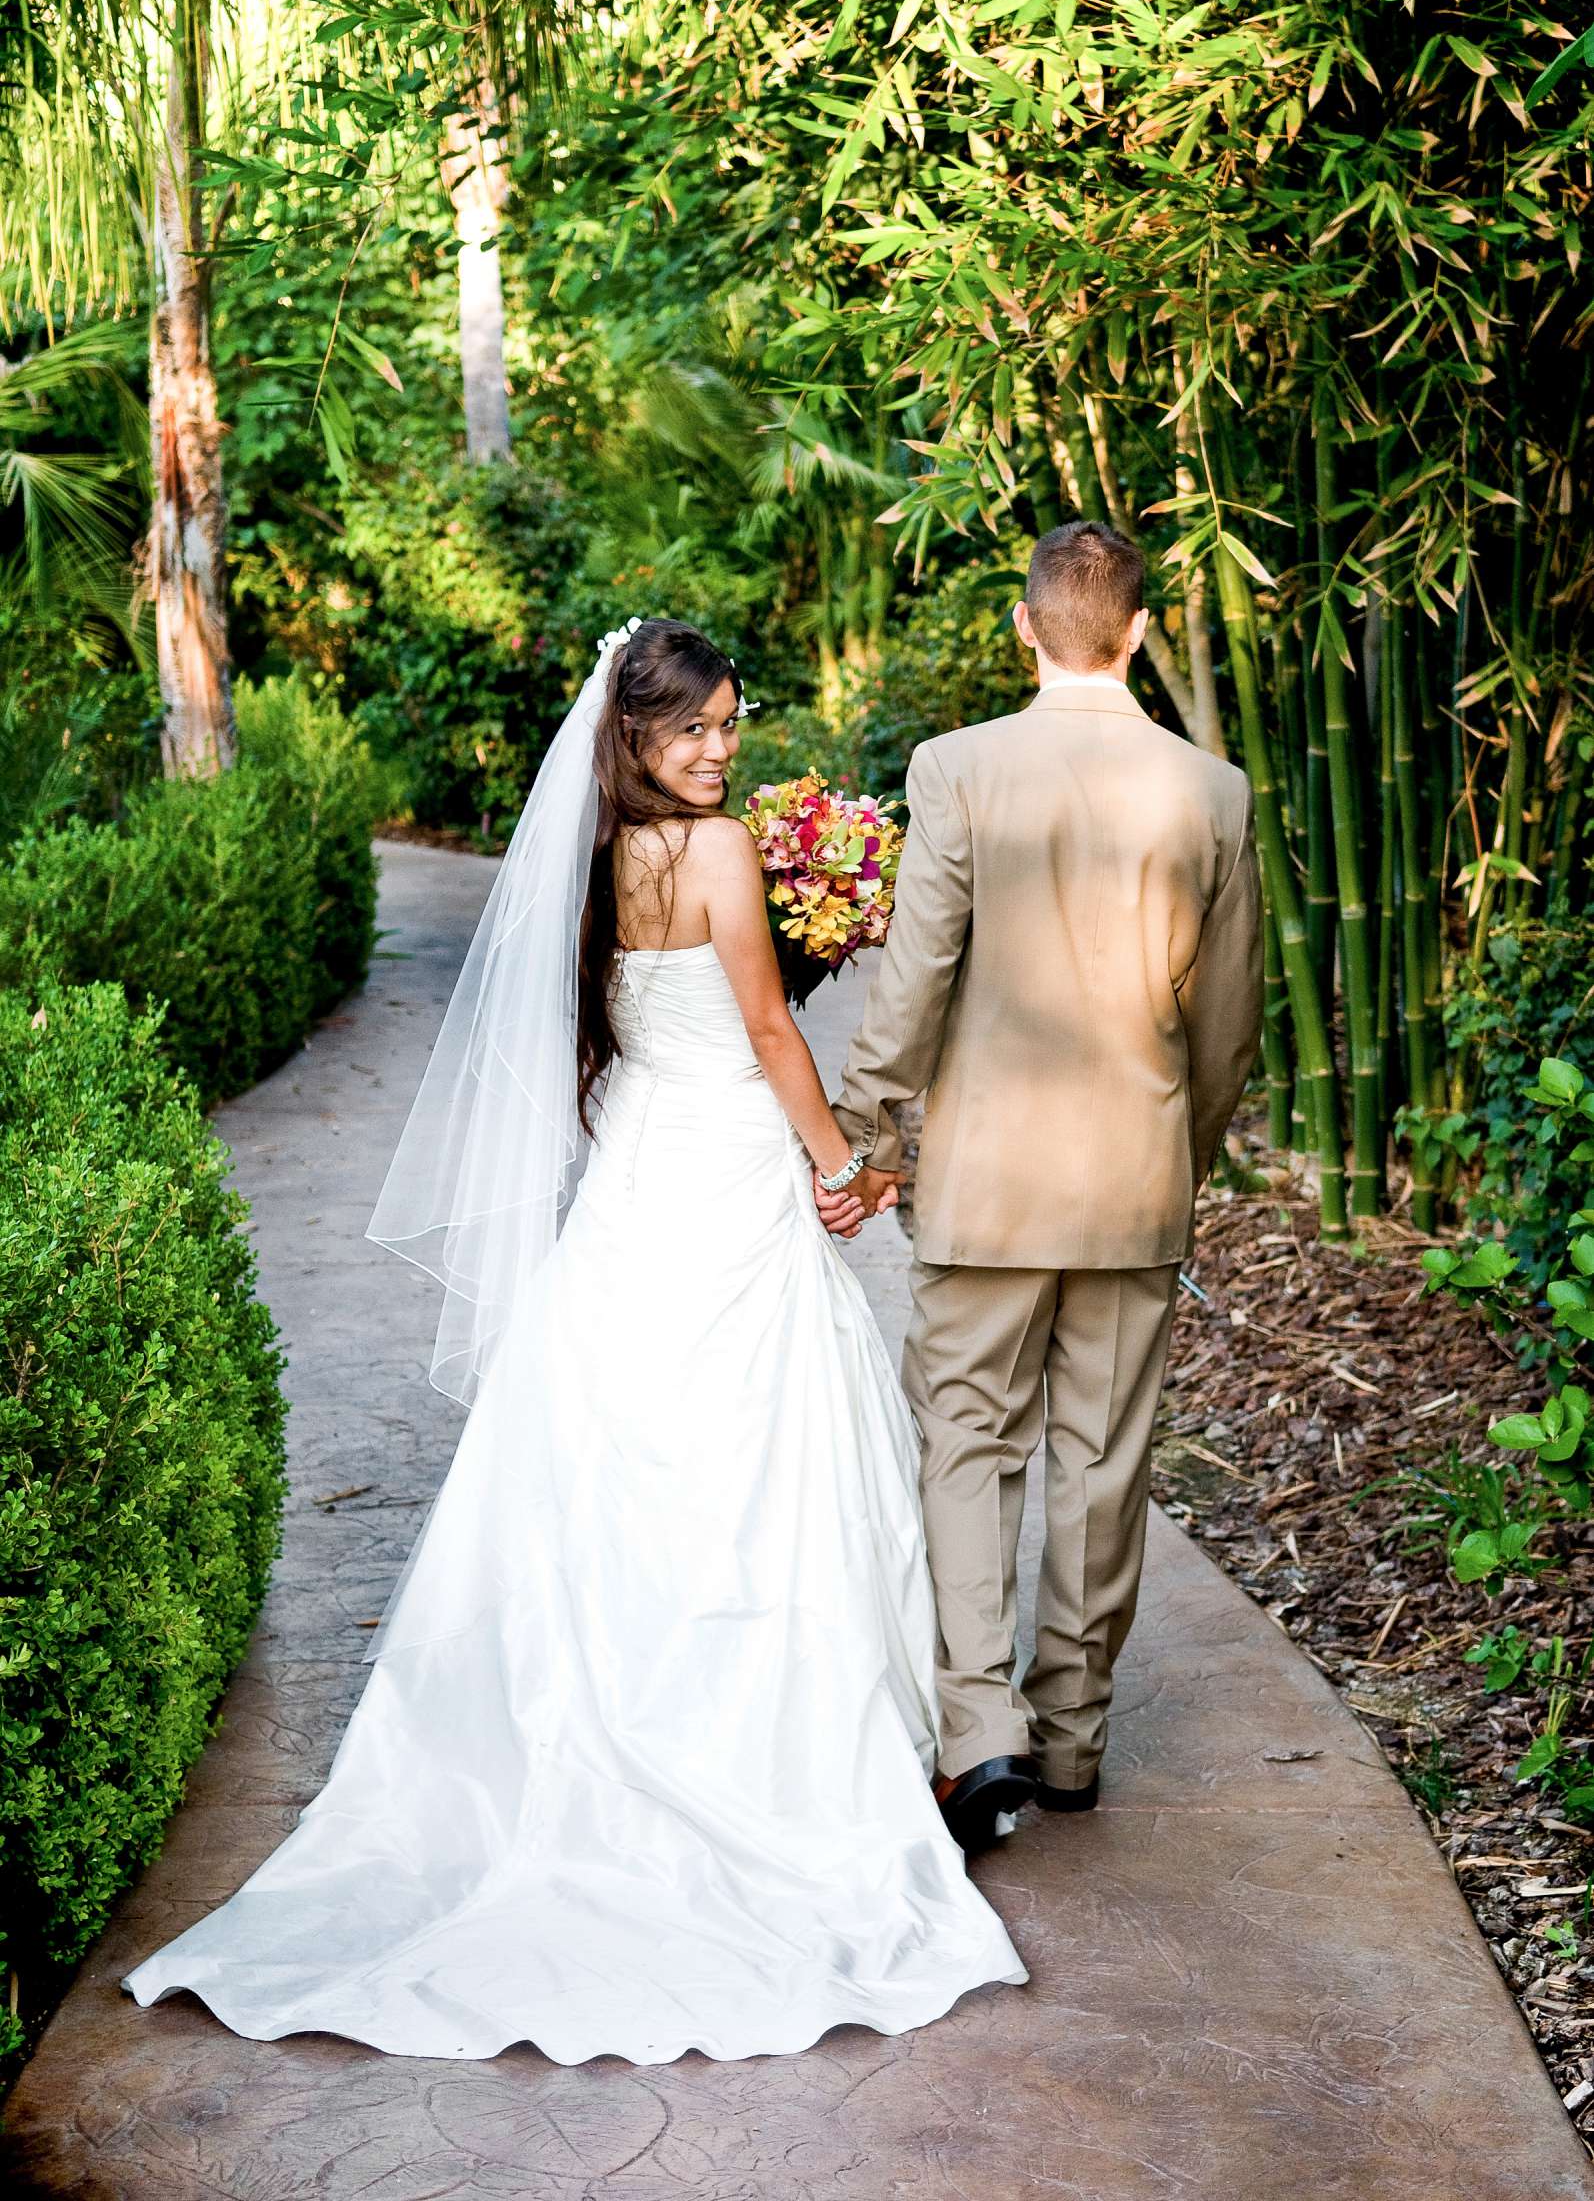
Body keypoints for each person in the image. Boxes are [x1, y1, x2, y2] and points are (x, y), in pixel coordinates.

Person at [123, 615, 1024, 2064]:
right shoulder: (719, 855)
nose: (724, 749)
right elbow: (771, 1037)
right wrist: (835, 1167)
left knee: (621, 1438)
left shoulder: (597, 859)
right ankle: (781, 1766)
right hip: (725, 1156)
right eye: (697, 732)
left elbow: (616, 1027)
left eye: (735, 722)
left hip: (637, 1166)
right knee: (755, 1443)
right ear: (634, 738)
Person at [820, 522, 1264, 1852]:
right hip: (1132, 1179)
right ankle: (1071, 1741)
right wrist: (1175, 1154)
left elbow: (916, 973)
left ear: (1024, 628)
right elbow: (1229, 1019)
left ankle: (978, 1732)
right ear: (1136, 632)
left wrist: (872, 1132)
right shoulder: (1211, 790)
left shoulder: (958, 769)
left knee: (964, 1444)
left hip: (982, 1181)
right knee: (1102, 1459)